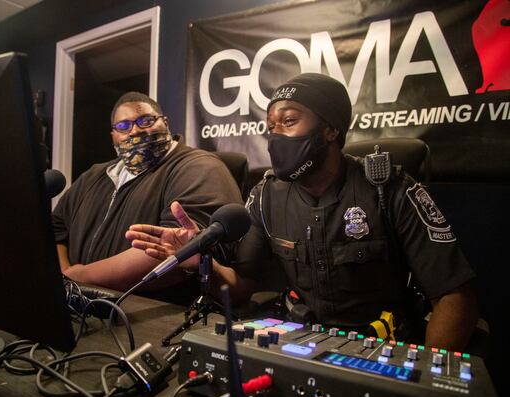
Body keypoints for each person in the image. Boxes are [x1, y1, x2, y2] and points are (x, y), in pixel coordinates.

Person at [126, 73, 479, 351]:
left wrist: (426, 380)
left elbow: (453, 296)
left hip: (384, 347)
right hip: (301, 345)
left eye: (289, 121)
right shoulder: (265, 197)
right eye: (271, 126)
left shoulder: (390, 188)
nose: (275, 135)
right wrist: (199, 261)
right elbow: (240, 290)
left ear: (330, 129)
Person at [52, 91, 243, 301]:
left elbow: (175, 251)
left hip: (151, 312)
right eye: (123, 126)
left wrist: (78, 277)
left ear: (165, 123)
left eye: (145, 121)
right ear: (113, 135)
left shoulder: (199, 168)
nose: (135, 131)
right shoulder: (93, 176)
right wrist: (66, 278)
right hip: (79, 304)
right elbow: (56, 228)